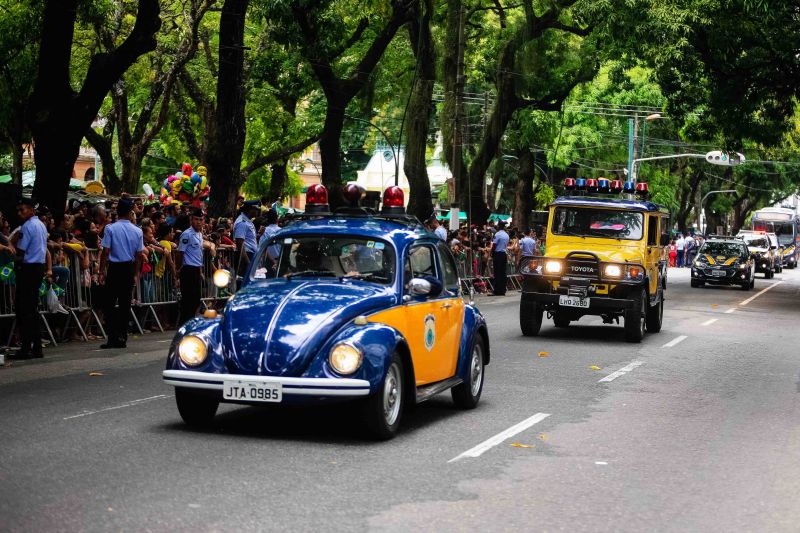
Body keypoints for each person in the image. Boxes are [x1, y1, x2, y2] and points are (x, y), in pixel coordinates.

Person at [98, 198, 144, 349]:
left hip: (115, 268)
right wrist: (136, 273)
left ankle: (111, 338)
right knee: (125, 304)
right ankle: (122, 337)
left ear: (117, 212)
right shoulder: (138, 230)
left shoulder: (110, 229)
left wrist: (101, 271)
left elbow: (105, 252)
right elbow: (138, 255)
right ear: (130, 212)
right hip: (128, 268)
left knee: (109, 304)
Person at [10, 198, 51, 359]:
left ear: (31, 210)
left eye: (23, 209)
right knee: (32, 310)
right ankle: (36, 348)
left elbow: (21, 251)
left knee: (24, 310)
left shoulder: (27, 227)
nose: (20, 213)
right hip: (37, 268)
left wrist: (12, 253)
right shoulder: (40, 224)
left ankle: (26, 347)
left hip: (28, 269)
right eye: (18, 210)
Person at [176, 209, 215, 325]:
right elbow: (180, 253)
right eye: (196, 219)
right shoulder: (187, 234)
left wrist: (200, 271)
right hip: (187, 270)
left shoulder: (199, 234)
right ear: (191, 220)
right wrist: (178, 269)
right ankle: (184, 324)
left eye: (201, 220)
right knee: (188, 300)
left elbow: (198, 254)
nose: (198, 222)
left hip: (196, 270)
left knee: (196, 299)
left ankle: (190, 322)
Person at [234, 201, 259, 274]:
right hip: (245, 257)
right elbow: (240, 244)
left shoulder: (248, 221)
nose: (257, 211)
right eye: (256, 209)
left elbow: (248, 239)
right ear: (250, 209)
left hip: (250, 255)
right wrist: (248, 262)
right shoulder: (242, 223)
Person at [490, 221, 509, 296]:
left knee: (497, 272)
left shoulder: (497, 234)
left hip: (498, 254)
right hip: (504, 254)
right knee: (503, 273)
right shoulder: (506, 235)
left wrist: (492, 253)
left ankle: (496, 290)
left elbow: (494, 245)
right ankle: (502, 290)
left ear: (499, 226)